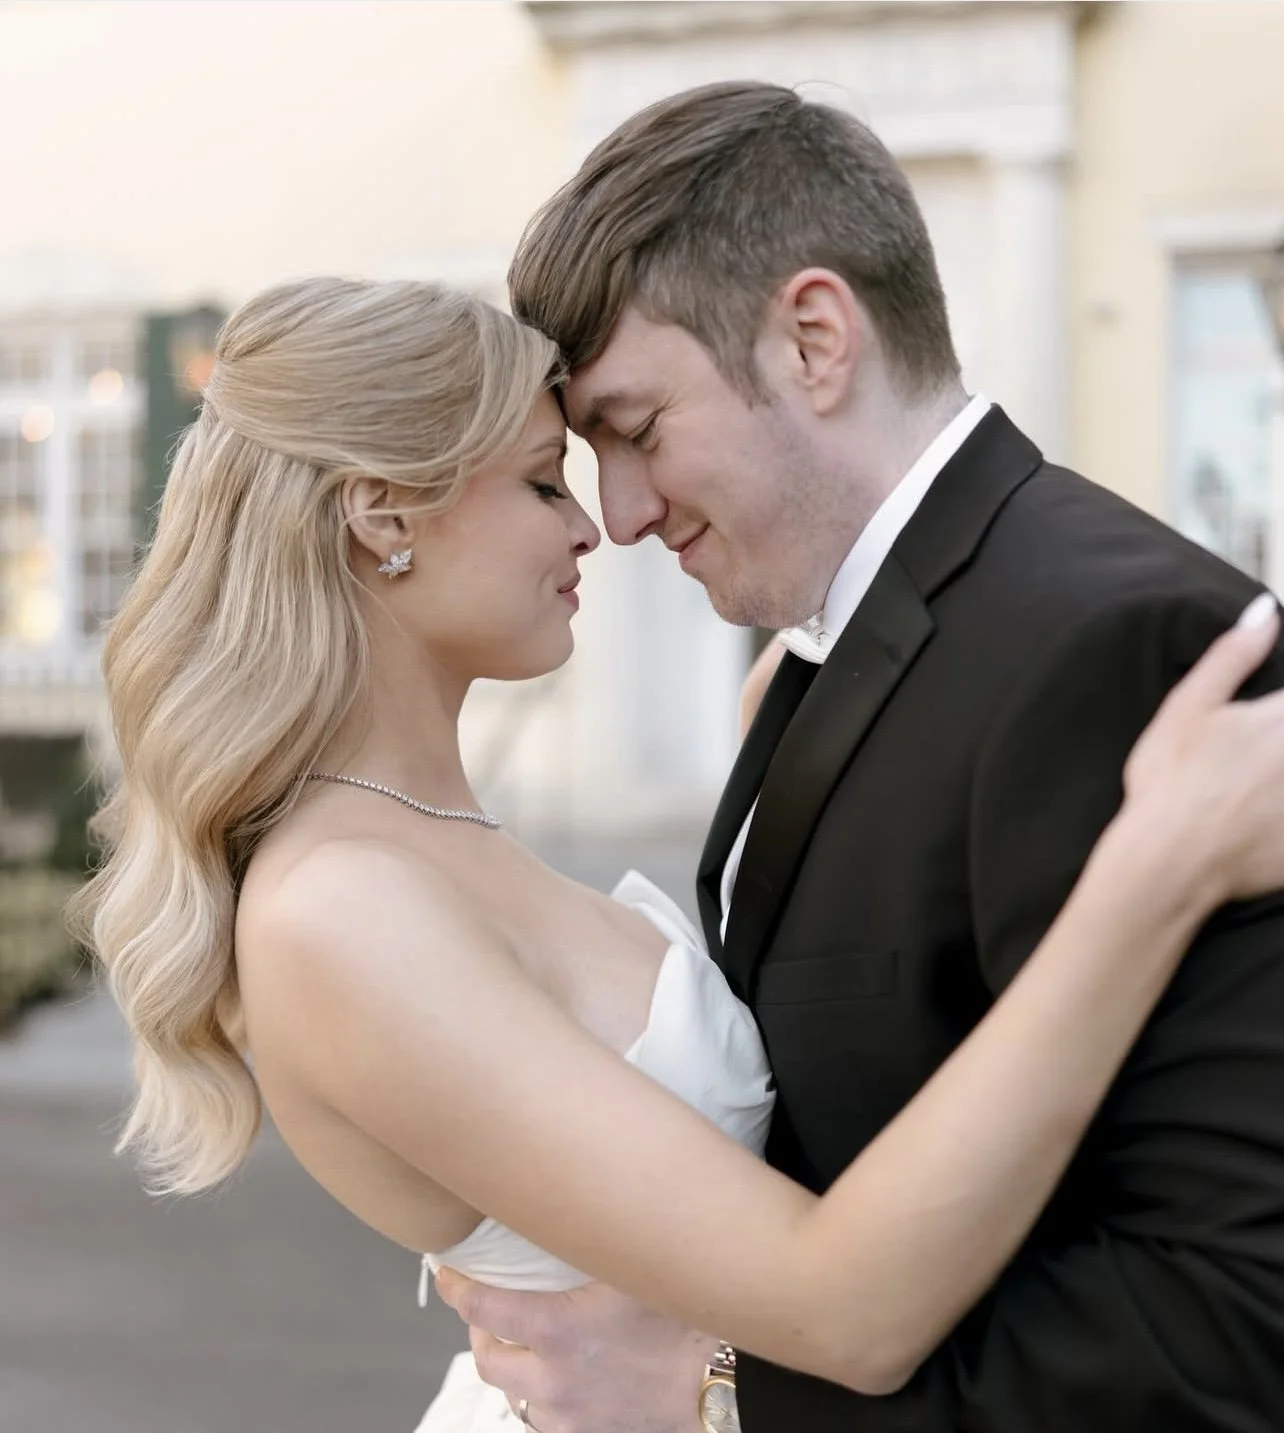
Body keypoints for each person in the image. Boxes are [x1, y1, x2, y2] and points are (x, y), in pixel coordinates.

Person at [74, 276, 1284, 1433]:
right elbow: (840, 1305)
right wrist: (1155, 870)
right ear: (384, 514)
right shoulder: (337, 909)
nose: (597, 524)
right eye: (547, 482)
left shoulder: (422, 843)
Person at [435, 82, 1284, 1432]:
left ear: (814, 341)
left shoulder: (1120, 648)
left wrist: (718, 1390)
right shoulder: (828, 650)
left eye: (638, 431)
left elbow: (1233, 1321)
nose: (630, 514)